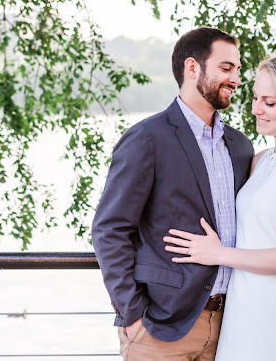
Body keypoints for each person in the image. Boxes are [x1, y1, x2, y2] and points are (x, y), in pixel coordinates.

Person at [164, 54, 276, 360]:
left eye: (269, 102)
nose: (255, 109)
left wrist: (218, 253)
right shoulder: (260, 161)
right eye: (255, 97)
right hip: (240, 305)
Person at [91, 27, 254, 360]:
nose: (237, 79)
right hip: (161, 328)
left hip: (233, 326)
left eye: (237, 69)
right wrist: (133, 313)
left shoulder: (240, 146)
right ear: (192, 68)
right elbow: (109, 230)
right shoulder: (147, 138)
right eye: (226, 68)